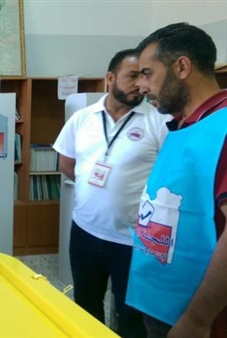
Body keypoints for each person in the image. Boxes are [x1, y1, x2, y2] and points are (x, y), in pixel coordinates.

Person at [53, 49, 170, 337]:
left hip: (133, 240)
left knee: (131, 316)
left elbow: (168, 179)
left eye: (145, 76)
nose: (140, 84)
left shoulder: (158, 121)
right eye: (132, 76)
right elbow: (67, 163)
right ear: (109, 78)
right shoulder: (82, 118)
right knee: (85, 305)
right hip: (85, 232)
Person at [126, 22, 227, 338]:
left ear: (182, 66)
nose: (141, 86)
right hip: (163, 304)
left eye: (147, 73)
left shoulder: (221, 129)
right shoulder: (184, 125)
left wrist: (197, 319)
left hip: (196, 320)